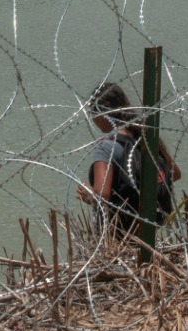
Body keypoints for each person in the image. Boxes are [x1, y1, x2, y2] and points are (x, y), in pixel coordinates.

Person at [76, 82, 181, 236]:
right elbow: (175, 173)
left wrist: (87, 192)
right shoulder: (143, 136)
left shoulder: (106, 148)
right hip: (148, 228)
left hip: (119, 234)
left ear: (99, 115)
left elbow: (102, 196)